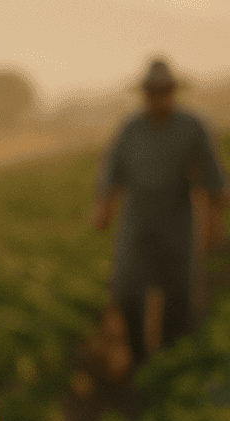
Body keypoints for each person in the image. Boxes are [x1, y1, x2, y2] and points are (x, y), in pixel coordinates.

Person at [90, 57, 226, 365]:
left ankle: (174, 359)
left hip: (177, 225)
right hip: (137, 225)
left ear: (173, 91)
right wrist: (103, 207)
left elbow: (212, 179)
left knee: (179, 297)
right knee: (126, 291)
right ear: (145, 93)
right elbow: (112, 171)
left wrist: (214, 225)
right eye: (153, 91)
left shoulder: (192, 127)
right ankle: (140, 356)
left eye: (164, 90)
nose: (158, 96)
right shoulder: (131, 129)